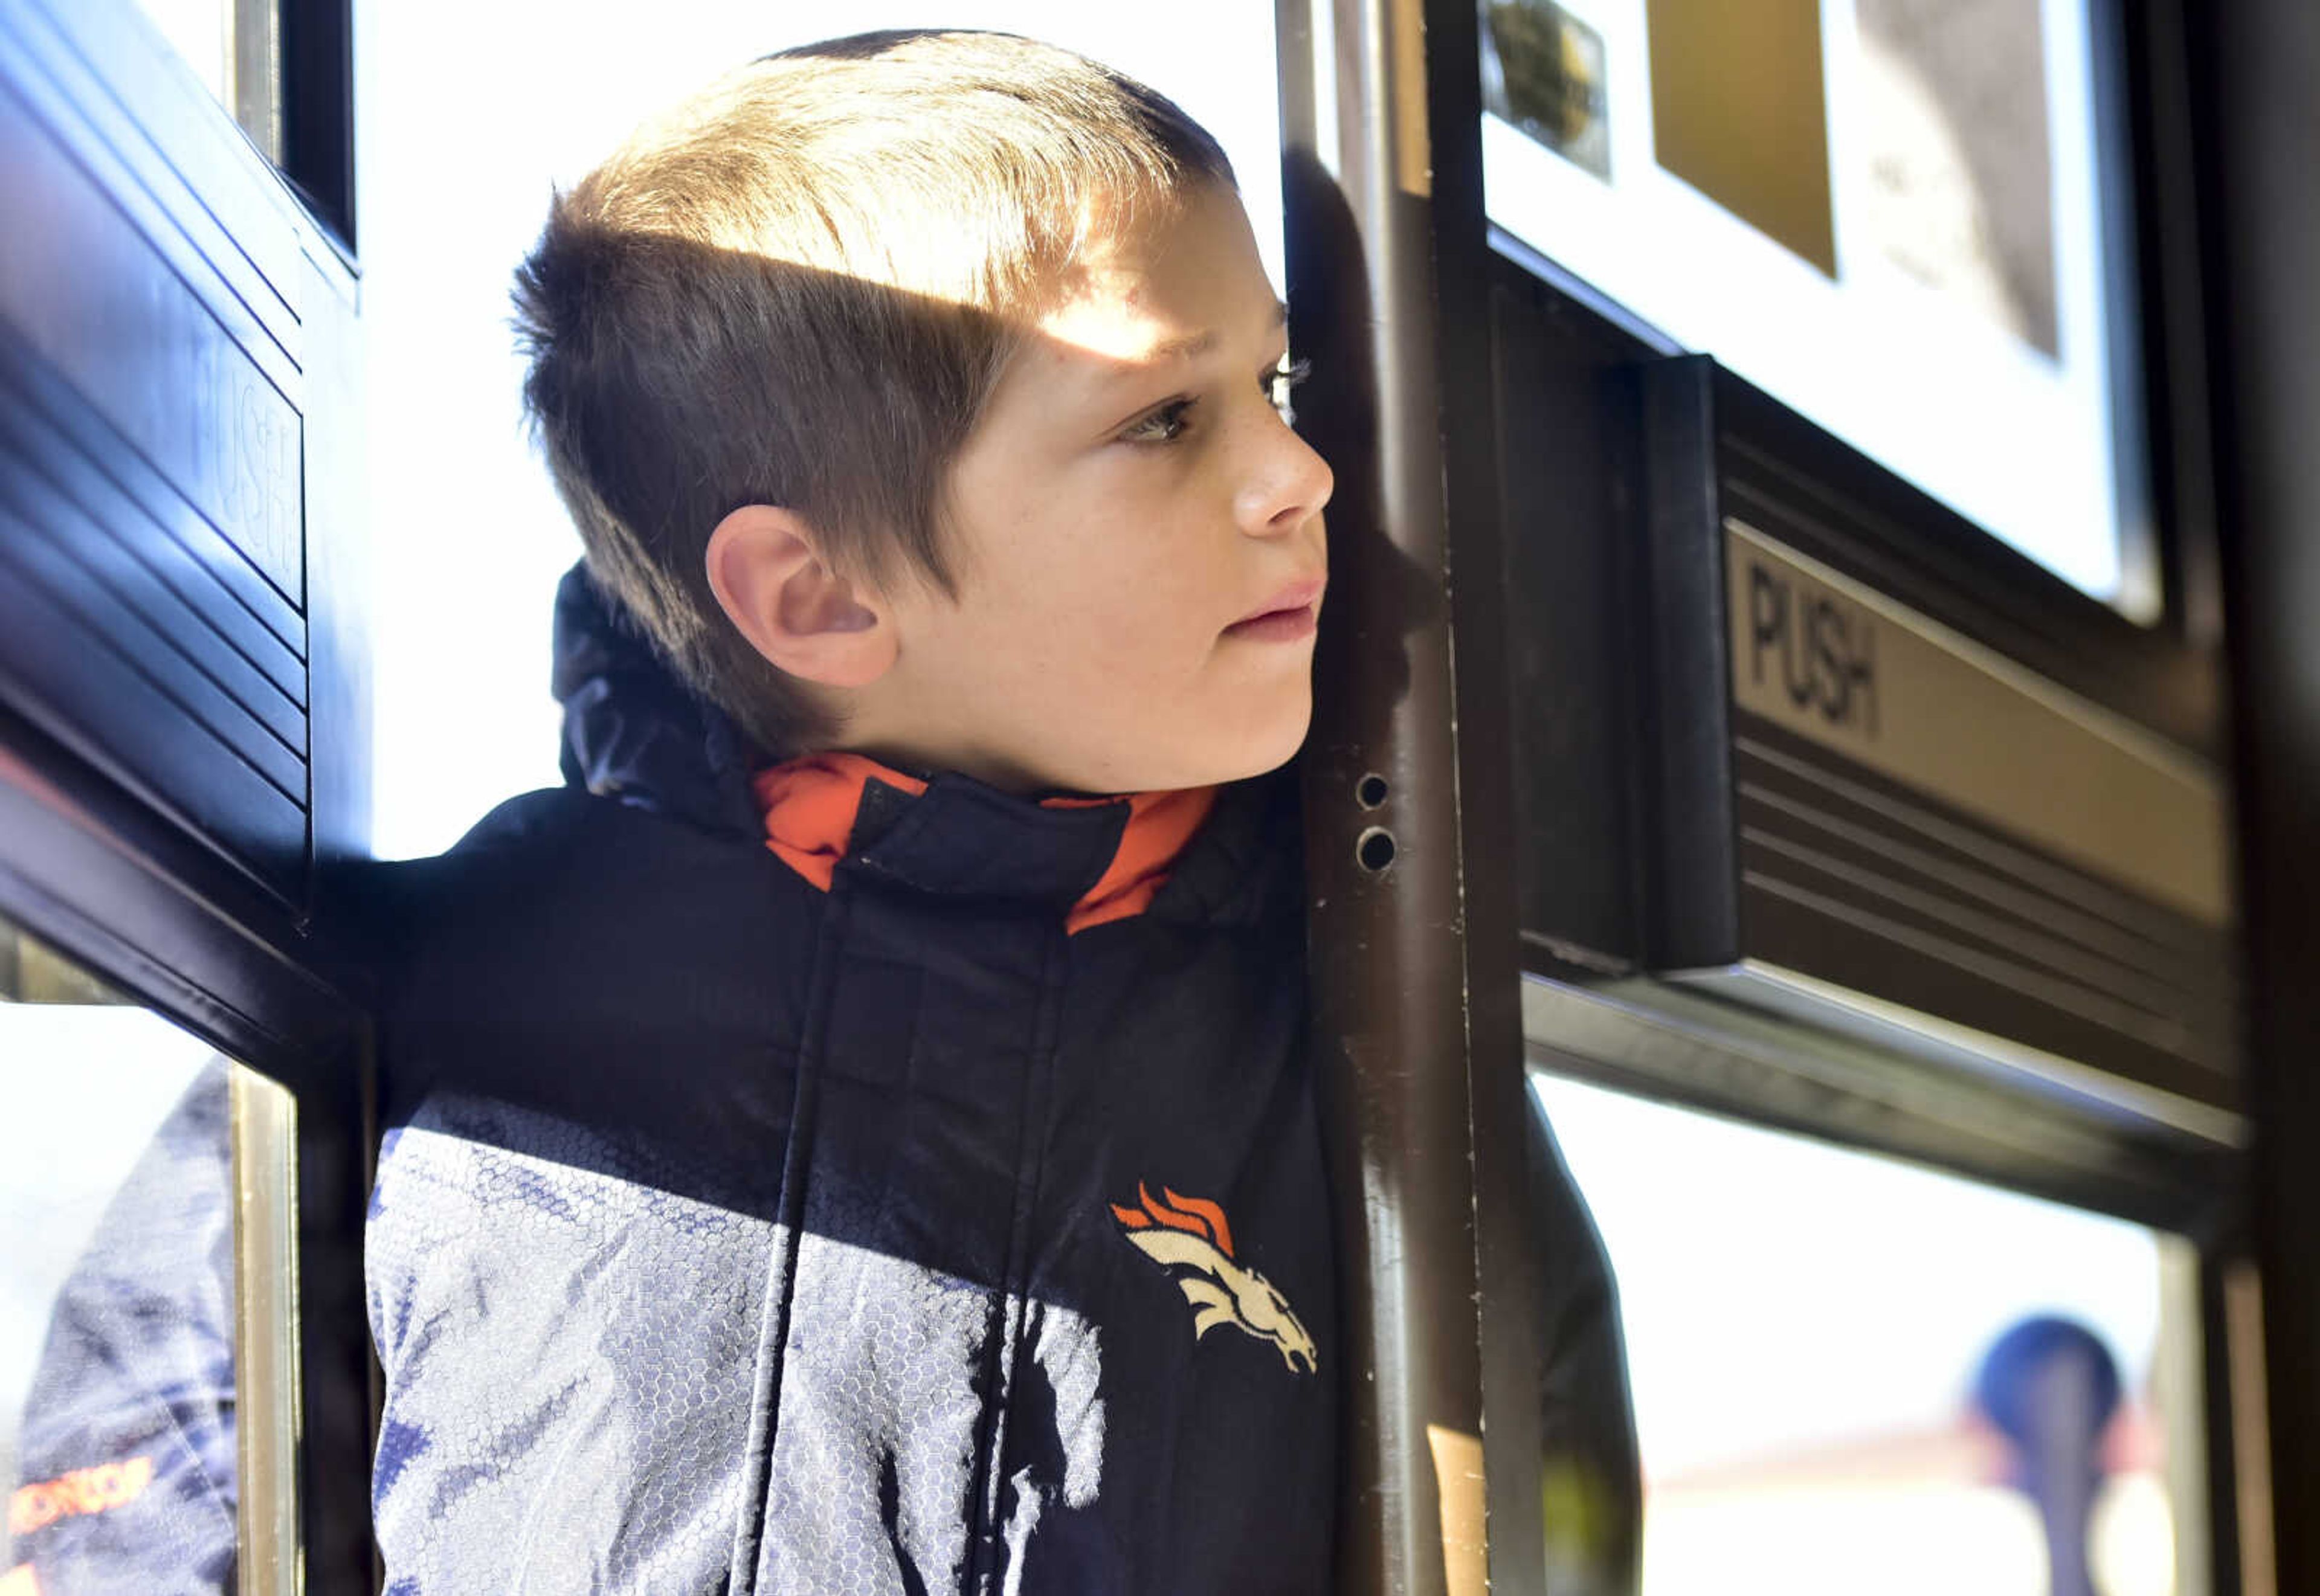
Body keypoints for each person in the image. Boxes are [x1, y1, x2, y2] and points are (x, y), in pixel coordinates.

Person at [363, 30, 1637, 1593]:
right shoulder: (475, 995)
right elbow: (161, 1481)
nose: (1299, 469)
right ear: (820, 594)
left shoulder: (1358, 1028)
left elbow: (1548, 1492)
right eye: (1167, 419)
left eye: (1275, 381)